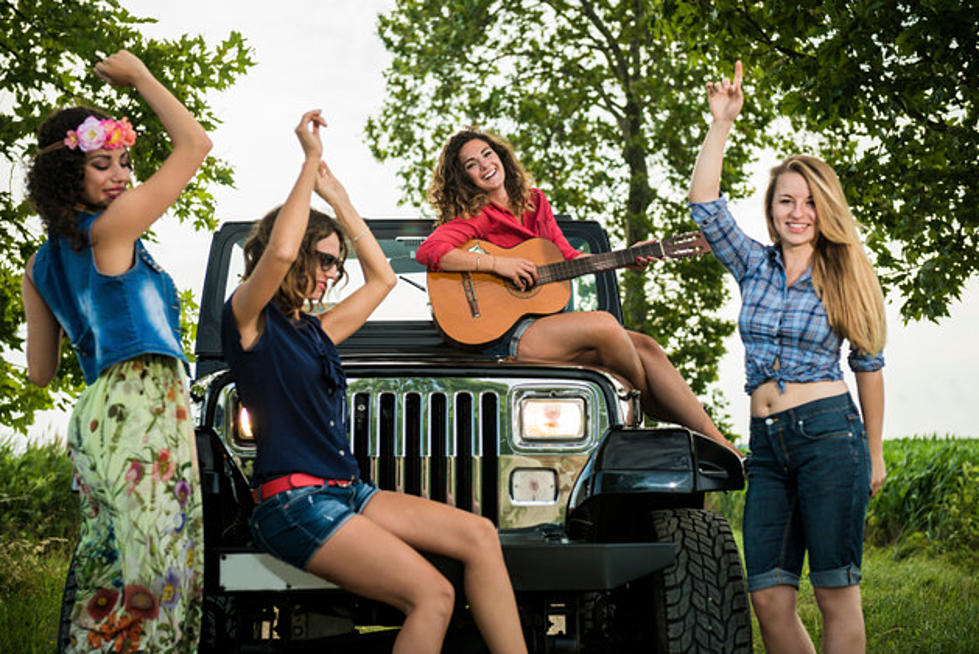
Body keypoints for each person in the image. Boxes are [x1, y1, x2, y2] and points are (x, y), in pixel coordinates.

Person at [222, 110, 528, 654]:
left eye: (335, 265)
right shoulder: (250, 317)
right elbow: (283, 251)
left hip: (346, 491)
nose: (330, 274)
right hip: (292, 504)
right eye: (324, 259)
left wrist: (338, 198)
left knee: (480, 536)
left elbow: (384, 276)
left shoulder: (317, 332)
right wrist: (310, 162)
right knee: (432, 595)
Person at [687, 61, 887, 653]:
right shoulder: (755, 265)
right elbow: (704, 204)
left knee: (833, 591)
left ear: (824, 209)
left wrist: (874, 451)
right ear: (771, 208)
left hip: (830, 438)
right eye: (784, 201)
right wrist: (720, 123)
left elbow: (869, 366)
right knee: (770, 597)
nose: (796, 212)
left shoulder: (846, 274)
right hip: (767, 445)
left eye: (807, 202)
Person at [22, 50, 211, 652]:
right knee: (158, 579)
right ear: (66, 175)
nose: (121, 176)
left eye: (124, 162)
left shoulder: (39, 264)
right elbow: (195, 146)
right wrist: (143, 80)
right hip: (143, 406)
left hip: (95, 419)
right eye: (101, 164)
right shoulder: (114, 230)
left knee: (107, 577)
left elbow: (39, 373)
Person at [417, 127, 740, 456]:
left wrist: (625, 259)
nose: (485, 165)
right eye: (471, 164)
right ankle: (637, 409)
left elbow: (567, 257)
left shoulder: (535, 202)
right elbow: (430, 251)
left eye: (487, 154)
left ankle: (722, 446)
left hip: (544, 327)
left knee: (646, 346)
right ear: (463, 177)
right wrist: (500, 265)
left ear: (500, 155)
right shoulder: (477, 217)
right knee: (604, 324)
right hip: (502, 335)